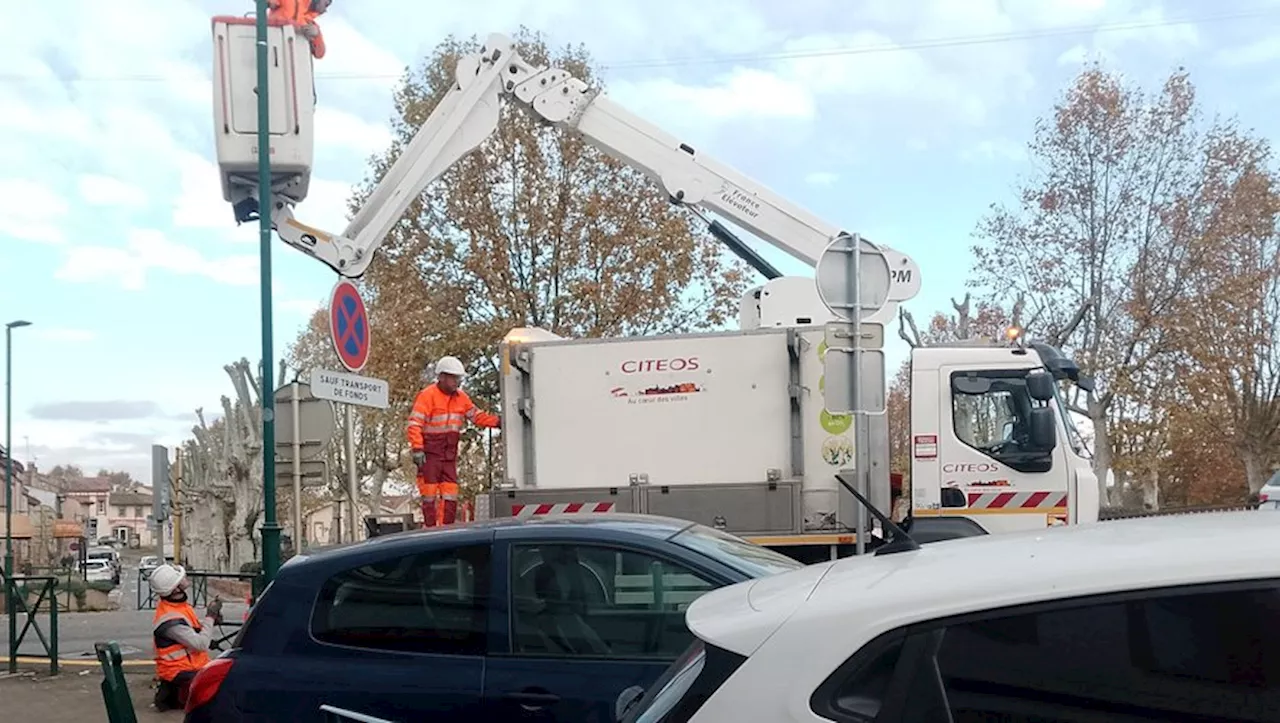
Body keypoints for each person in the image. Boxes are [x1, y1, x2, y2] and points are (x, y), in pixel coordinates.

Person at [407, 355, 501, 527]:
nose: (457, 382)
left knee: (450, 496)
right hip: (430, 455)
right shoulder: (427, 396)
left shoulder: (461, 398)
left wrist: (498, 422)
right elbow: (414, 424)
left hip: (448, 455)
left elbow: (476, 416)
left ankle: (446, 530)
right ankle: (431, 531)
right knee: (429, 496)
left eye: (459, 378)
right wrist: (417, 448)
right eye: (454, 378)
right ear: (442, 377)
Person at [149, 564, 221, 712]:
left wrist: (209, 622)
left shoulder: (176, 606)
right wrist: (210, 616)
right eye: (181, 580)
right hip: (179, 672)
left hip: (187, 668)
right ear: (175, 589)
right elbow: (200, 644)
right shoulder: (170, 620)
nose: (185, 580)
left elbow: (191, 629)